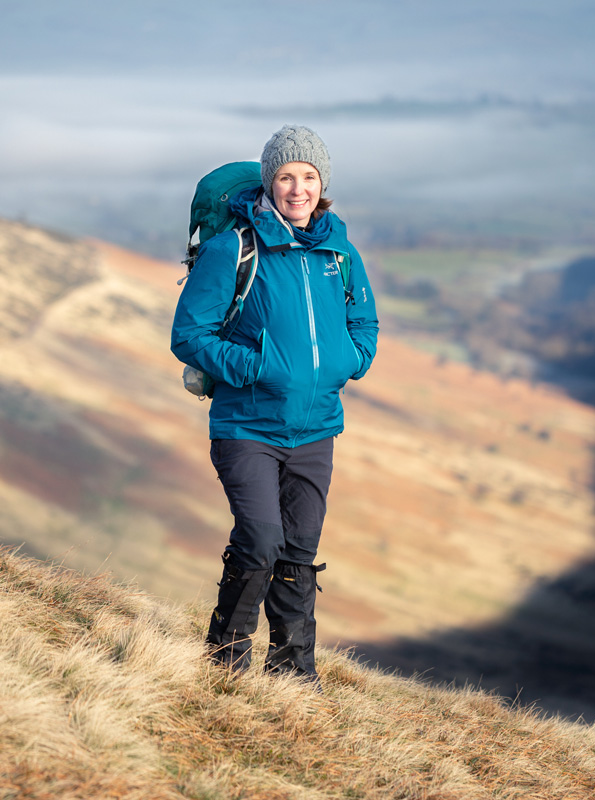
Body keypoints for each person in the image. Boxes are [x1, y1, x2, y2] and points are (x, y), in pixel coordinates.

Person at [170, 125, 379, 686]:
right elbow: (190, 335)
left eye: (308, 177)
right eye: (286, 177)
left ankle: (293, 675)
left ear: (322, 184)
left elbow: (364, 320)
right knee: (261, 542)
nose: (297, 188)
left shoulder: (338, 250)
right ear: (269, 181)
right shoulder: (232, 248)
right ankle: (226, 660)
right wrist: (254, 369)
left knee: (298, 552)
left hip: (315, 429)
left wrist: (352, 359)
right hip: (246, 426)